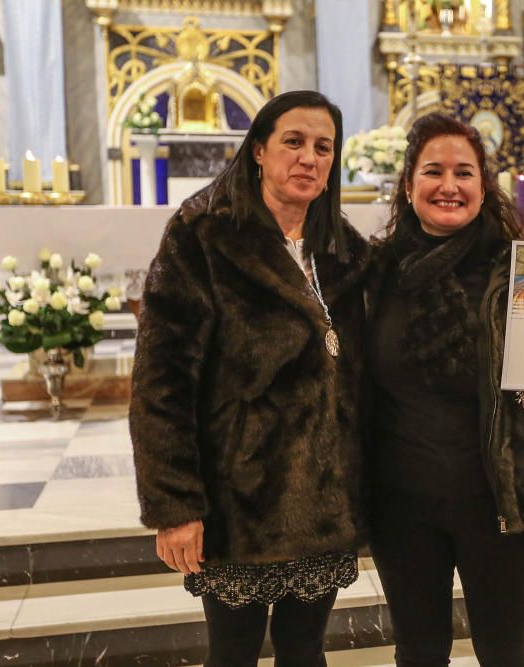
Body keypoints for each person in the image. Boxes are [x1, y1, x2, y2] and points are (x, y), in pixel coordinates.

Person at [365, 112, 524, 667]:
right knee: (417, 652)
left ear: (484, 187)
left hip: (500, 499)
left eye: (464, 172)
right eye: (433, 171)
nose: (449, 185)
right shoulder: (375, 274)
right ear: (409, 183)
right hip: (401, 503)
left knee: (506, 653)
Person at [129, 90, 369, 667]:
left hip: (323, 497)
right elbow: (161, 383)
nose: (308, 158)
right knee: (232, 654)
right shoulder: (204, 235)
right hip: (238, 500)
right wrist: (174, 505)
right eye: (293, 142)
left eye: (323, 147)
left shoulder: (343, 248)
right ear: (258, 149)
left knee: (306, 651)